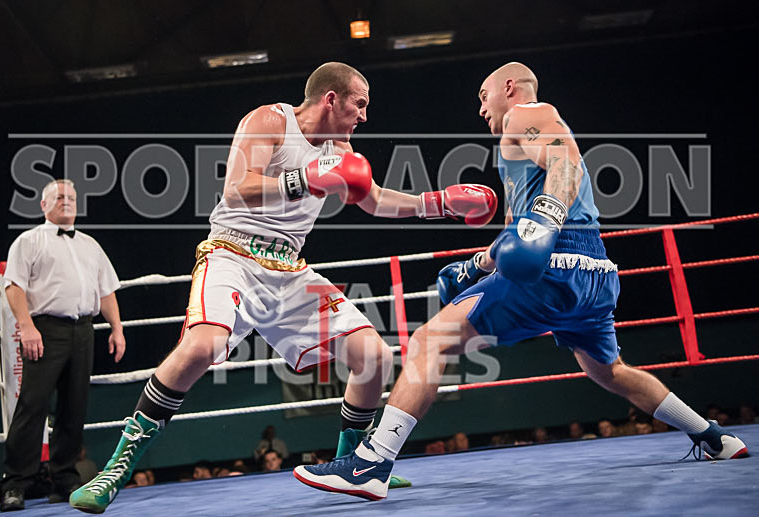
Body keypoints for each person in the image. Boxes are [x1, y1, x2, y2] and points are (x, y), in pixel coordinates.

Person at [294, 62, 749, 501]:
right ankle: (714, 436)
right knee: (609, 371)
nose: (481, 108)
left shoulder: (527, 113)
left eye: (483, 95)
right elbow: (520, 235)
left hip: (553, 267)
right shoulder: (515, 152)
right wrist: (478, 264)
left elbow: (565, 168)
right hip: (593, 274)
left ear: (510, 86)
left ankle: (371, 463)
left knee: (430, 340)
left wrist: (545, 221)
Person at [70, 61, 495, 513]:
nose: (365, 115)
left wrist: (439, 204)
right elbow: (236, 189)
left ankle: (353, 463)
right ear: (331, 98)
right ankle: (116, 466)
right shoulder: (268, 120)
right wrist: (306, 179)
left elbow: (373, 200)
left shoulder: (340, 145)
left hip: (289, 269)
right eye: (360, 103)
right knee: (201, 346)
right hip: (230, 254)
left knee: (372, 355)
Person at [0, 179, 125, 512]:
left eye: (71, 197)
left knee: (74, 407)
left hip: (84, 330)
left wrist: (116, 329)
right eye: (59, 197)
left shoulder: (89, 244)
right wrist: (26, 327)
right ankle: (14, 483)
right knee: (32, 406)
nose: (66, 201)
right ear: (43, 205)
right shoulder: (29, 241)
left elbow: (106, 290)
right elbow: (13, 287)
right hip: (45, 329)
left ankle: (65, 478)